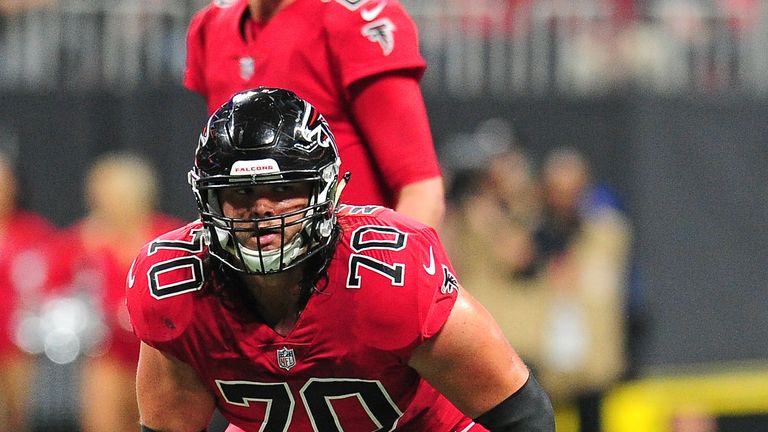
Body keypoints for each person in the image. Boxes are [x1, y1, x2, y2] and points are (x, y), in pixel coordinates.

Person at [126, 88, 554, 432]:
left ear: (326, 191)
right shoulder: (177, 287)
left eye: (281, 189)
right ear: (207, 198)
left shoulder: (389, 273)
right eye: (239, 193)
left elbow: (521, 414)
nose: (261, 209)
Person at [183, 0, 445, 227]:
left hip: (348, 270)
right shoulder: (212, 25)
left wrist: (392, 273)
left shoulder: (353, 20)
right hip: (249, 266)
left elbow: (421, 191)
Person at [44, 152, 182, 432]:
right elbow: (52, 298)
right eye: (107, 194)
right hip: (108, 355)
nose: (115, 203)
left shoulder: (170, 238)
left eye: (122, 194)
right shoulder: (79, 242)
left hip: (163, 354)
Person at [0, 150, 56, 432]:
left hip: (16, 344)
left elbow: (55, 282)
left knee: (18, 416)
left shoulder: (34, 231)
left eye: (5, 184)